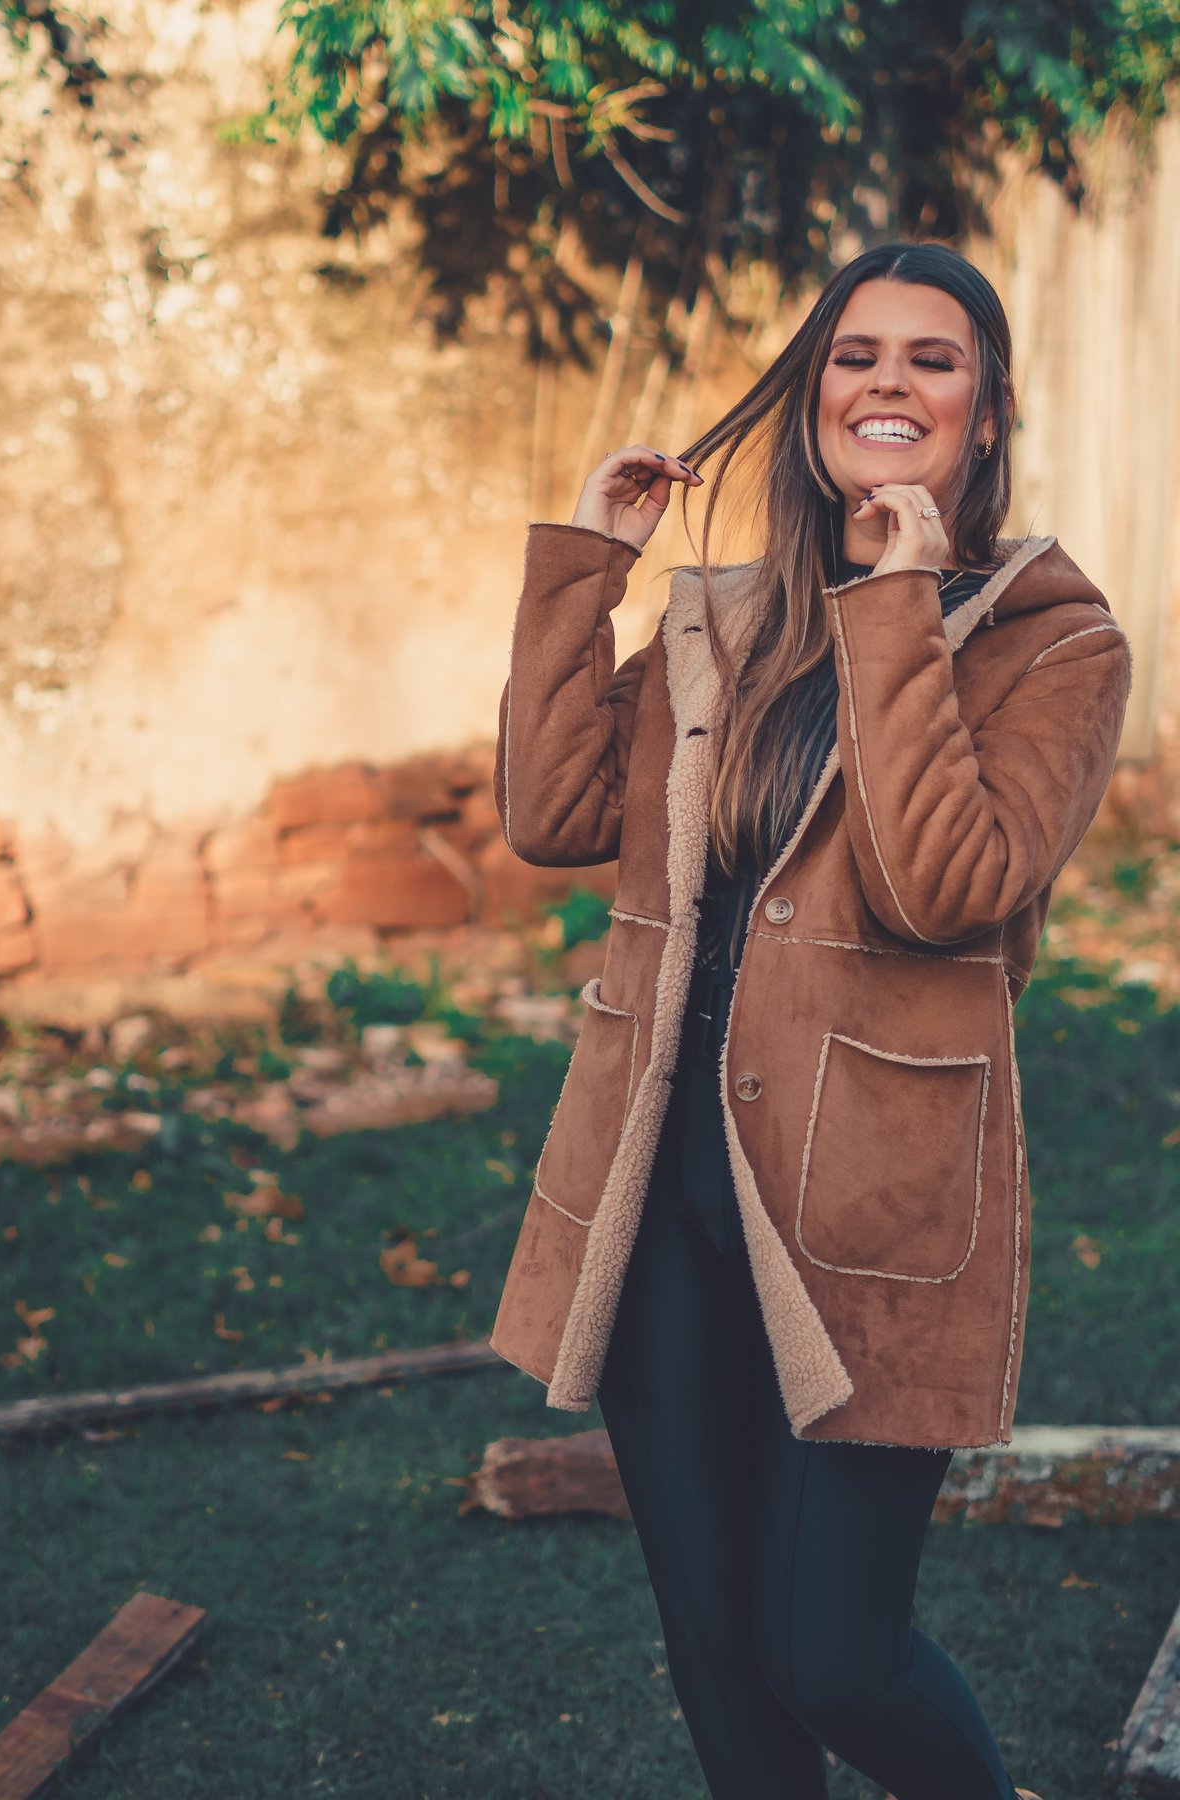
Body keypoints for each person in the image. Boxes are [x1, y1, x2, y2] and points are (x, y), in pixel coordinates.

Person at [489, 241, 1130, 1799]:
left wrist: (901, 593)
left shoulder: (1056, 643)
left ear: (986, 414)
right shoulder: (725, 620)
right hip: (659, 1188)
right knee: (718, 1648)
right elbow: (551, 807)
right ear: (810, 395)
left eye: (933, 359)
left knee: (833, 1656)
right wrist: (593, 562)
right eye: (855, 356)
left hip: (871, 1209)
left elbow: (943, 889)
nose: (889, 384)